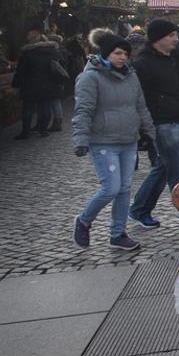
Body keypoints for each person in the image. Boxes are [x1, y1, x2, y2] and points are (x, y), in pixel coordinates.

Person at [71, 30, 155, 251]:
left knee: (124, 188)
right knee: (111, 188)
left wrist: (150, 132)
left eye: (125, 54)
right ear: (106, 54)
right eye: (118, 53)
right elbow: (83, 110)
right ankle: (84, 220)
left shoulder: (131, 75)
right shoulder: (90, 77)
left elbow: (140, 106)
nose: (123, 57)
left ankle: (118, 233)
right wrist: (80, 138)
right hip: (103, 141)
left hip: (128, 140)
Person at [129, 19, 179, 234]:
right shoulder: (143, 64)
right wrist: (146, 125)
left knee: (163, 167)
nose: (176, 38)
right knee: (178, 168)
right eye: (171, 35)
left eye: (176, 35)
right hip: (162, 121)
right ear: (158, 39)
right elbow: (141, 97)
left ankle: (140, 209)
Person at [12, 29, 66, 140]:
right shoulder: (52, 52)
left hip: (30, 86)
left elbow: (21, 71)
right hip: (48, 85)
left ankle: (25, 132)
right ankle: (43, 130)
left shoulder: (27, 53)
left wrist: (16, 85)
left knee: (28, 109)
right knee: (45, 107)